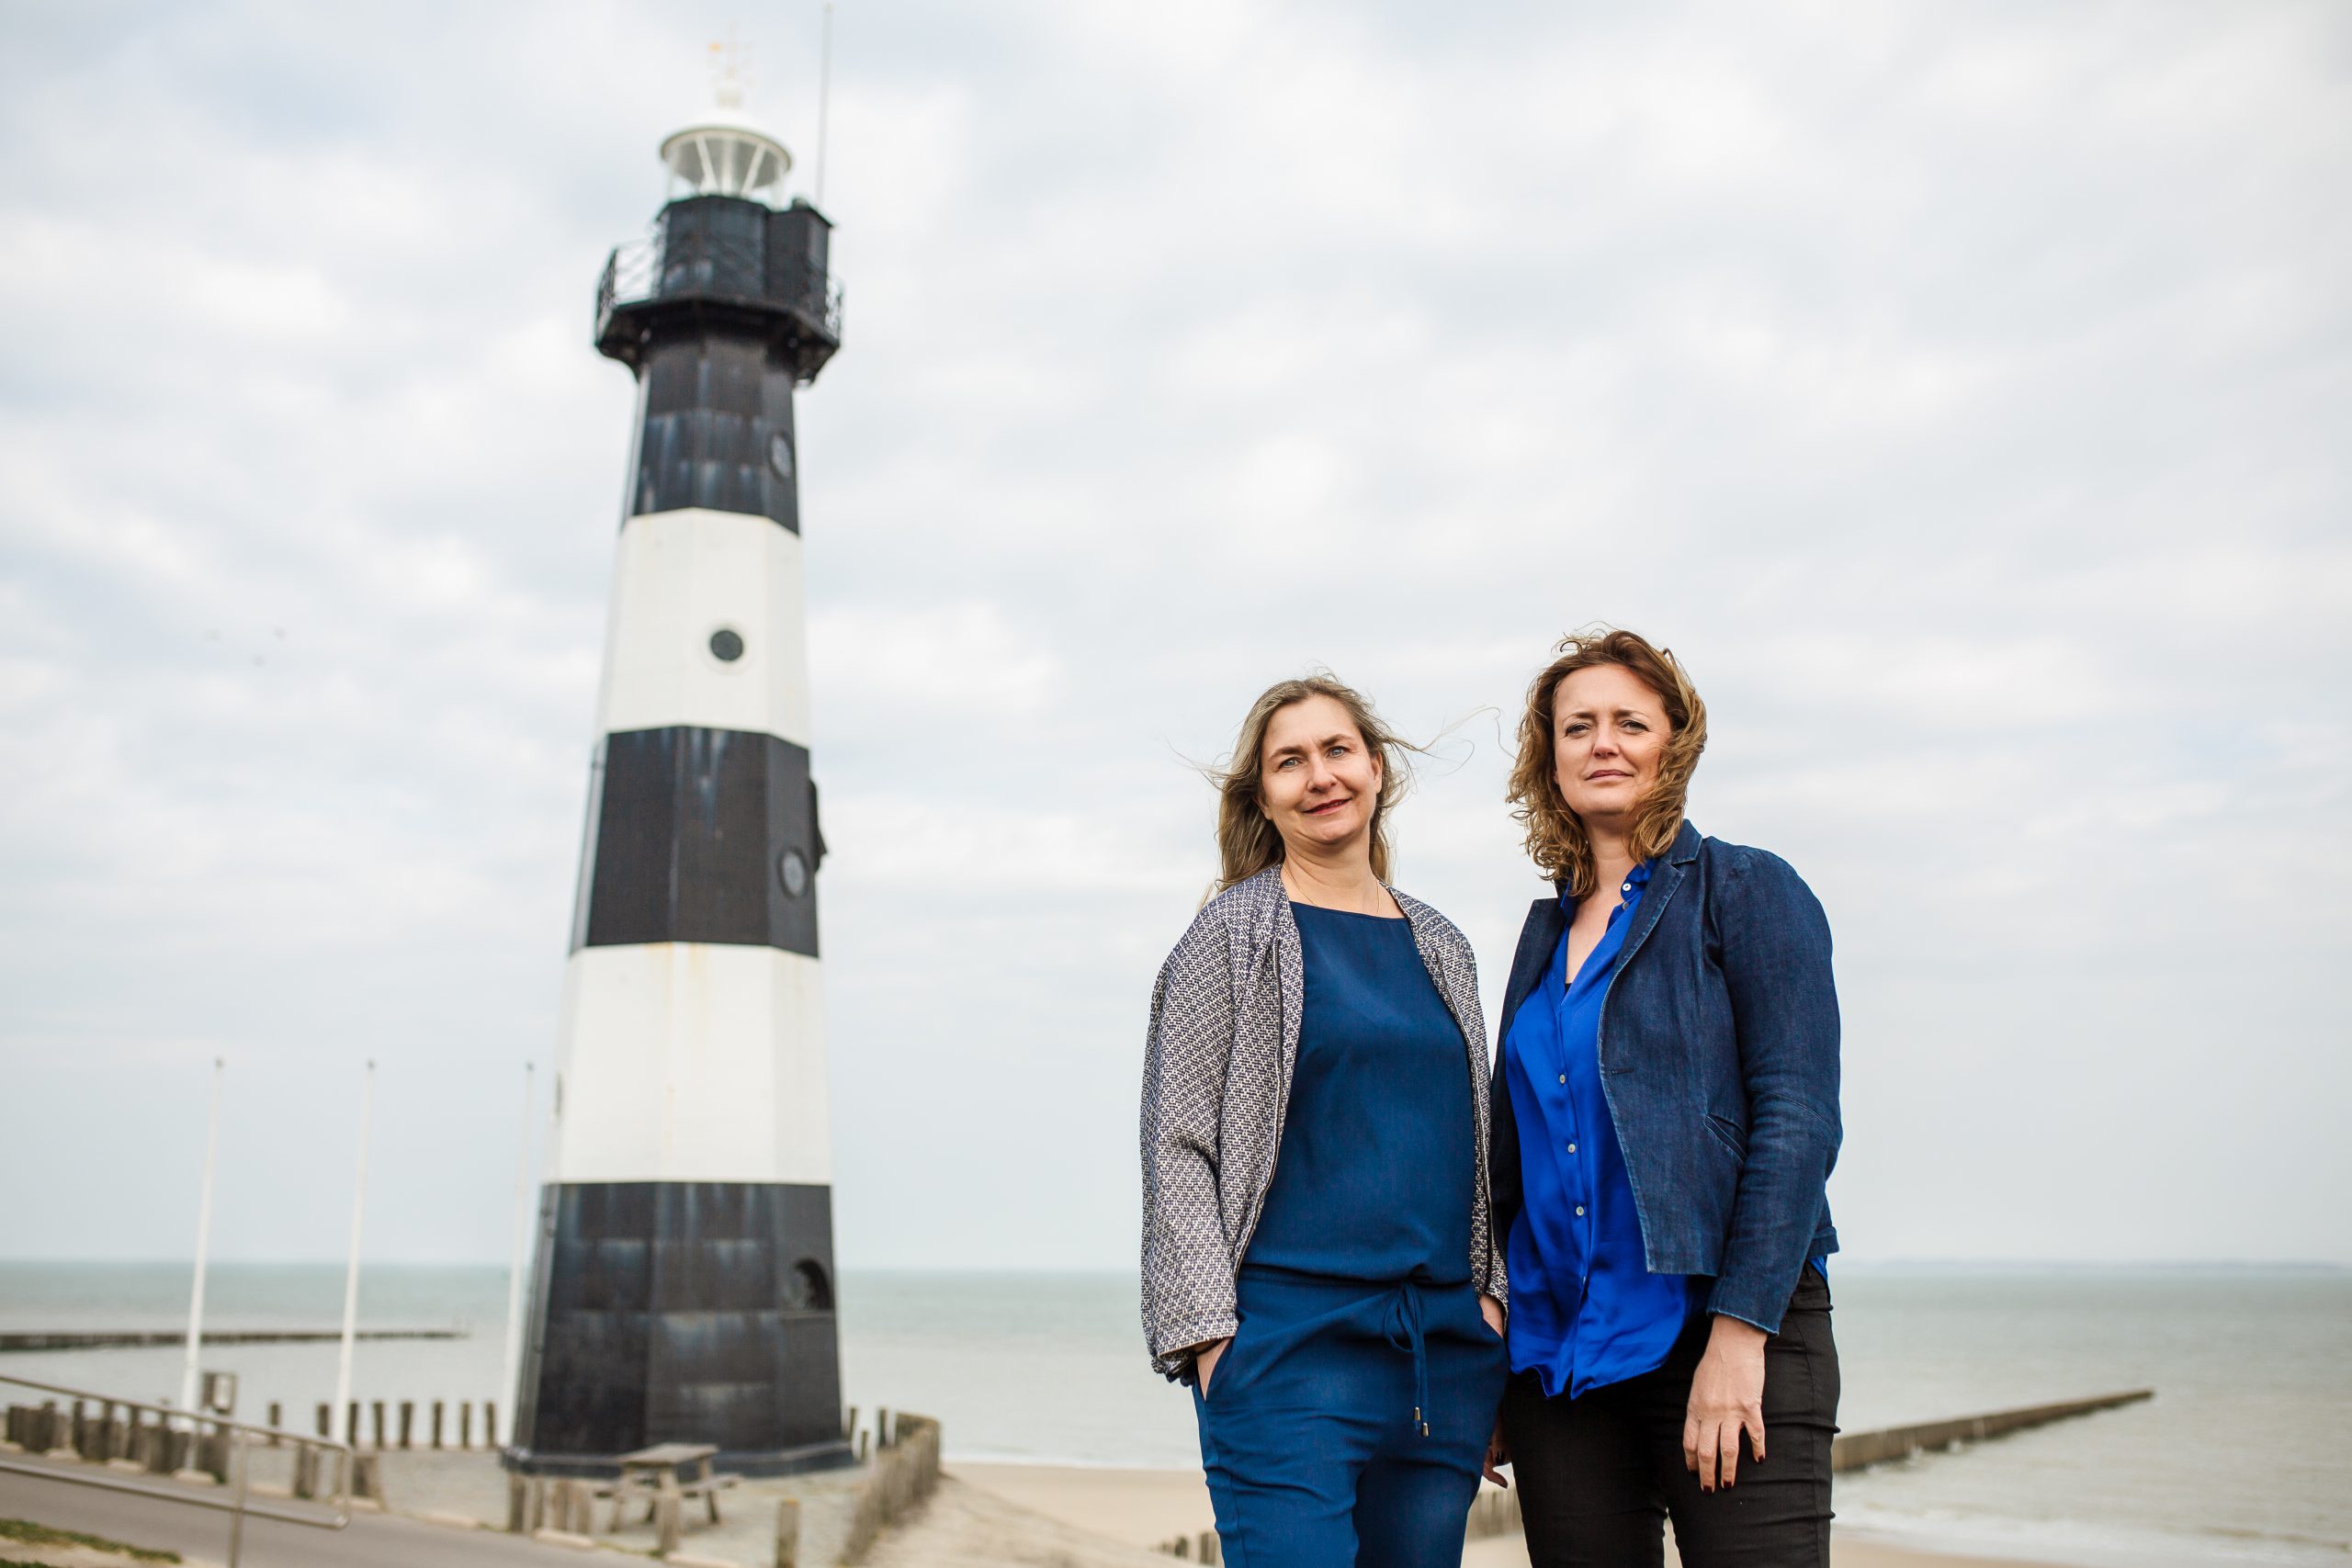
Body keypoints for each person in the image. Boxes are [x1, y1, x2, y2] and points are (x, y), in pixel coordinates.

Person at [1487, 627, 1843, 1568]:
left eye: (1628, 723)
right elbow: (1510, 1167)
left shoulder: (1748, 889)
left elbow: (1797, 1119)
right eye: (1577, 727)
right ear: (1548, 756)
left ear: (1671, 745)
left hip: (1722, 1338)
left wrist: (1739, 1335)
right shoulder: (1539, 936)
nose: (1602, 743)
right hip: (1558, 1363)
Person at [1140, 674, 1510, 1568]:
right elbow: (1177, 1144)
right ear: (1263, 796)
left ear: (1376, 769)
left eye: (1336, 751)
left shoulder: (1441, 944)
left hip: (1440, 1357)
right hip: (1283, 1352)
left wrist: (1489, 1304)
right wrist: (1208, 1339)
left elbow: (1475, 1149)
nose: (1319, 776)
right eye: (1289, 762)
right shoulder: (1227, 939)